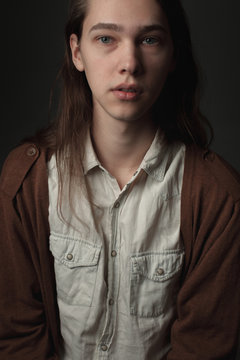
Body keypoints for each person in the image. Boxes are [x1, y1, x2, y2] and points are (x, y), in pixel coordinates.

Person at [0, 0, 240, 359]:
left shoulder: (217, 196)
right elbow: (17, 336)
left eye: (150, 40)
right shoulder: (27, 180)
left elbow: (205, 345)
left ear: (173, 55)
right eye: (106, 39)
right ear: (77, 52)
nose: (129, 63)